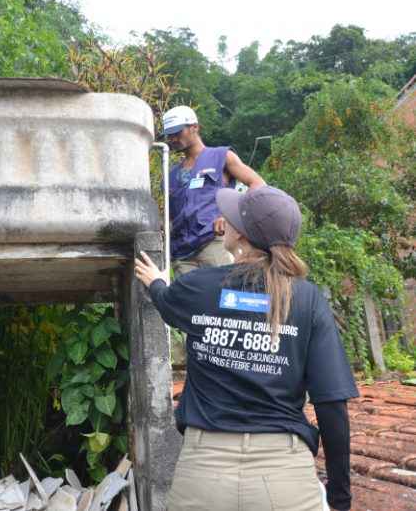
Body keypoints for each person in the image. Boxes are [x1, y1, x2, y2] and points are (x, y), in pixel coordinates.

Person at [134, 185, 358, 511]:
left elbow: (167, 303)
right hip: (283, 479)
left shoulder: (199, 287)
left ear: (241, 234)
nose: (222, 220)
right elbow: (331, 406)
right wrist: (340, 498)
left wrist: (155, 281)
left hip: (202, 477)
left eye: (231, 217)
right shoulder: (308, 300)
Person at [163, 105, 265, 276]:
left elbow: (258, 184)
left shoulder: (221, 156)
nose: (172, 138)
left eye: (177, 132)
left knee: (224, 296)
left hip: (214, 242)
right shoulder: (171, 174)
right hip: (181, 253)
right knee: (189, 302)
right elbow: (170, 215)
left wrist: (229, 216)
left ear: (194, 127)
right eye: (169, 134)